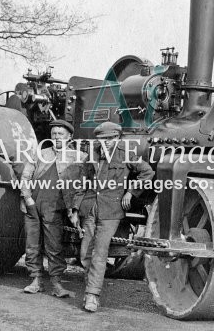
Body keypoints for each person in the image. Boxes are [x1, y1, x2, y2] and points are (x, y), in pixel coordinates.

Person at [72, 121, 154, 312]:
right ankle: (89, 287)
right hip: (90, 207)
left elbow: (147, 172)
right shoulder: (91, 155)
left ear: (117, 138)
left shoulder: (125, 154)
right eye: (103, 139)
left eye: (111, 138)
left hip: (111, 210)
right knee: (85, 253)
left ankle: (92, 295)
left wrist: (131, 192)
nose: (107, 142)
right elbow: (81, 183)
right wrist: (75, 208)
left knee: (100, 253)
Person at [19, 119, 86, 297]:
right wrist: (27, 198)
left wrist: (75, 208)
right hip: (32, 205)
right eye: (54, 134)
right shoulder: (39, 154)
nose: (57, 137)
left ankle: (56, 283)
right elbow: (25, 177)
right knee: (32, 245)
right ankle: (36, 280)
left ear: (69, 137)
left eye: (61, 134)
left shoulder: (79, 157)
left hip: (55, 207)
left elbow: (84, 184)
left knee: (54, 246)